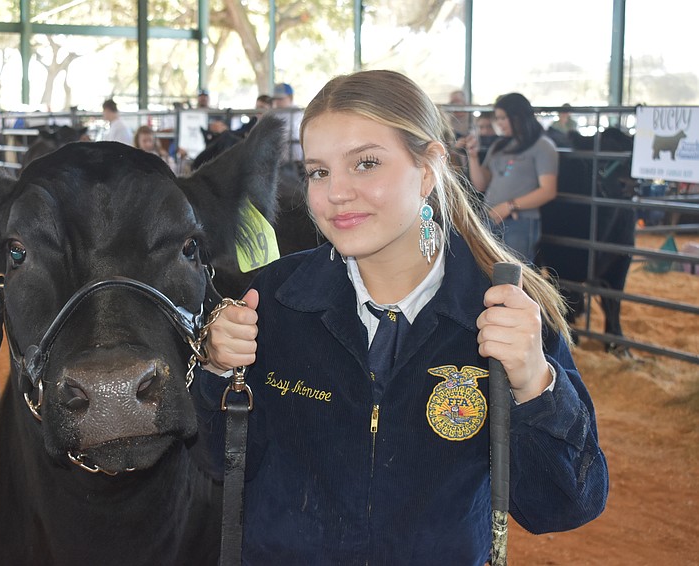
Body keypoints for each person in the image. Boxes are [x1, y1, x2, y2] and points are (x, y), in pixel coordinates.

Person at [193, 69, 607, 565]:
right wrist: (217, 371)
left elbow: (560, 506)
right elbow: (220, 463)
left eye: (365, 164)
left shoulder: (504, 311)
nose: (336, 193)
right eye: (319, 171)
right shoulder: (273, 299)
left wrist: (536, 383)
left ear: (429, 167)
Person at [464, 92, 559, 262]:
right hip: (490, 216)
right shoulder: (499, 145)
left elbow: (548, 190)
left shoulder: (543, 146)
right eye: (498, 118)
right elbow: (481, 184)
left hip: (518, 221)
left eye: (502, 118)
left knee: (515, 272)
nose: (499, 123)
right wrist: (472, 156)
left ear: (517, 117)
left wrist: (509, 206)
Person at [272, 82, 304, 164]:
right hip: (279, 161)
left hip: (295, 160)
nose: (277, 101)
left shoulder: (297, 113)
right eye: (275, 99)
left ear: (290, 97)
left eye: (281, 99)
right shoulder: (275, 113)